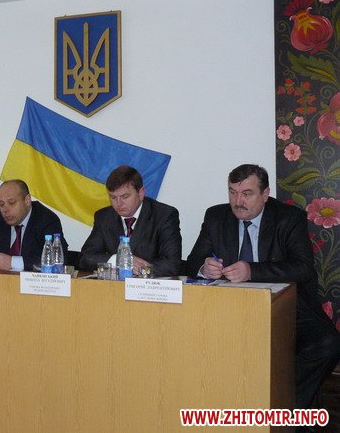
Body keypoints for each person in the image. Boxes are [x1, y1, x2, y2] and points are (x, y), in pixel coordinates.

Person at [186, 164, 340, 409]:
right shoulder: (216, 216)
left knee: (328, 344)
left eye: (247, 194)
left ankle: (283, 406)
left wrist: (252, 271)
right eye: (233, 192)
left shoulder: (289, 218)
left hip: (285, 305)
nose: (238, 202)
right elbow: (192, 261)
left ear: (265, 194)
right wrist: (204, 268)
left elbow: (302, 268)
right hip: (229, 307)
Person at [79, 165, 182, 276]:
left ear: (141, 193)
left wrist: (135, 268)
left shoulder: (164, 215)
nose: (119, 203)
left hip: (149, 286)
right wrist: (117, 260)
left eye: (125, 197)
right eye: (113, 197)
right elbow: (85, 258)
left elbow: (172, 264)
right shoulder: (103, 217)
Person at [0, 179, 68, 270]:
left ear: (27, 200)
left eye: (11, 203)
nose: (5, 209)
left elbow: (57, 259)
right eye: (1, 204)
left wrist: (11, 262)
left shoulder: (46, 219)